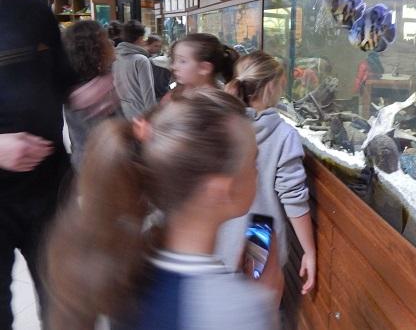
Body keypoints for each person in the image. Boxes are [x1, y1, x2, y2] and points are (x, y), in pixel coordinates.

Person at [44, 90, 280, 330]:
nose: (257, 171)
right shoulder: (236, 309)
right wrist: (262, 304)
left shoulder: (123, 267)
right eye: (253, 161)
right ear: (221, 190)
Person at [0, 0, 76, 329]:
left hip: (49, 193)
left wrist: (88, 92)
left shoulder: (34, 13)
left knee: (64, 302)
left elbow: (62, 82)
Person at [221, 51, 316, 297]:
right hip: (259, 231)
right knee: (258, 306)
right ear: (272, 86)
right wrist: (309, 251)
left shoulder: (218, 123)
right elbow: (293, 197)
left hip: (219, 227)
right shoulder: (283, 135)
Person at [62, 20, 121, 171]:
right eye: (106, 39)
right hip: (100, 170)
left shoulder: (94, 84)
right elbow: (112, 142)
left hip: (89, 166)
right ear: (95, 50)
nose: (111, 42)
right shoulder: (94, 94)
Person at [165, 33, 238, 102]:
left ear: (204, 68)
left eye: (182, 61)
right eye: (174, 59)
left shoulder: (212, 103)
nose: (173, 67)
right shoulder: (180, 91)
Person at [113, 20, 156, 119]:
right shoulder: (141, 60)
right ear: (140, 38)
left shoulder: (115, 57)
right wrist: (152, 116)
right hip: (140, 114)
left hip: (123, 113)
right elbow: (148, 92)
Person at [145, 34, 171, 101]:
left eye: (160, 46)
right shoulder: (144, 58)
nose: (158, 48)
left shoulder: (160, 57)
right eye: (156, 46)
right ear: (148, 45)